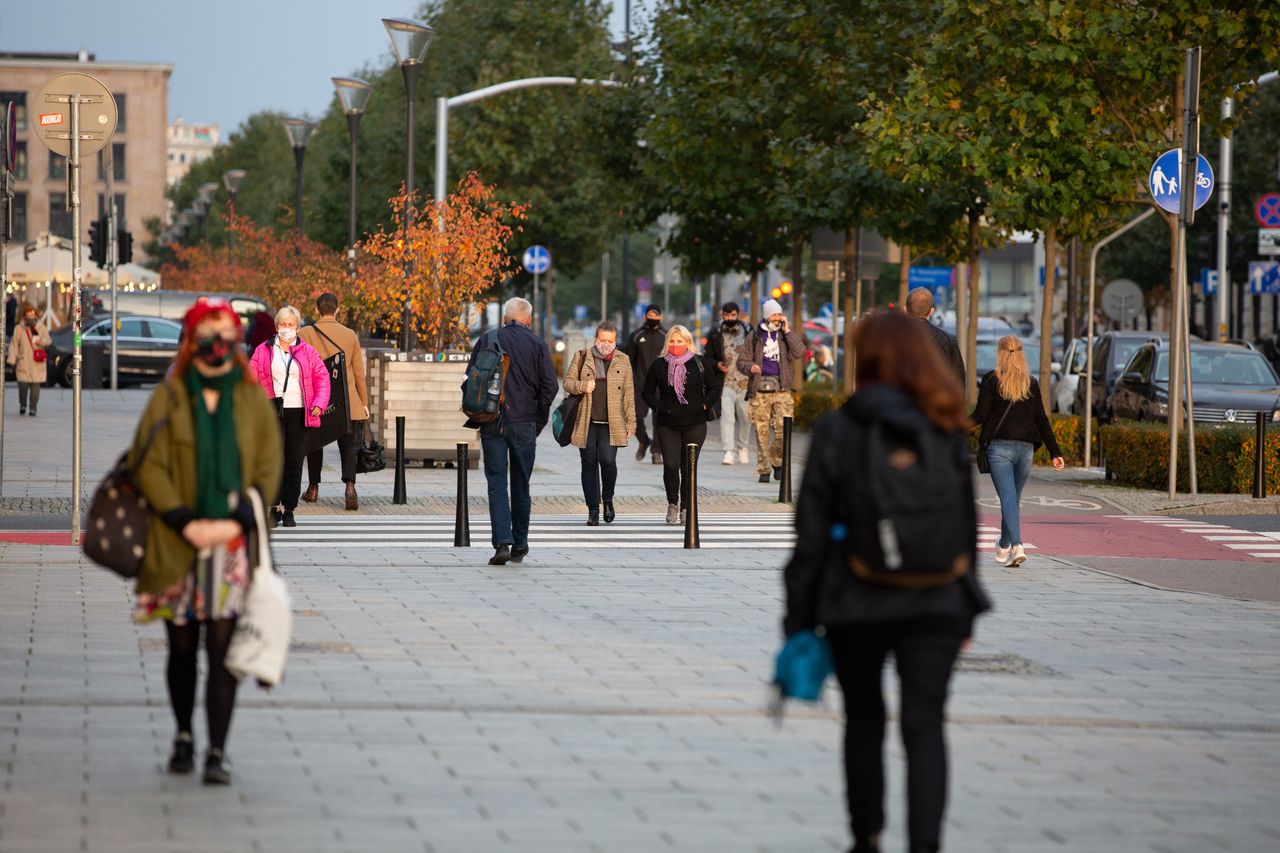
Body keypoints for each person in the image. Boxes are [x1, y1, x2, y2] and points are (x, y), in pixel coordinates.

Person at [783, 310, 992, 853]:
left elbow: (810, 534)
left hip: (856, 596)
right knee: (925, 725)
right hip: (938, 597)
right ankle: (925, 844)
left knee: (864, 720)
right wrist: (967, 604)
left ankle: (867, 837)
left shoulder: (838, 429)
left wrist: (799, 617)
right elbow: (964, 523)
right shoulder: (944, 423)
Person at [129, 298, 282, 786]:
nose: (218, 345)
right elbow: (147, 462)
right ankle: (183, 736)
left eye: (227, 336)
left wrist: (238, 520)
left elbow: (268, 464)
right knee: (181, 648)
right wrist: (182, 519)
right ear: (191, 341)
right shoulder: (170, 396)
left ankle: (217, 749)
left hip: (231, 545)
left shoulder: (250, 398)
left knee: (221, 651)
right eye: (208, 335)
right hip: (177, 541)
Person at [464, 297, 558, 566]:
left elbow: (470, 379)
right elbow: (550, 387)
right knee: (521, 484)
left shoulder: (488, 339)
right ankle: (520, 543)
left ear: (505, 318)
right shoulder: (537, 344)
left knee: (496, 482)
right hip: (524, 422)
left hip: (492, 419)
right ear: (528, 319)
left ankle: (501, 543)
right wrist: (538, 420)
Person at [972, 335, 1065, 567]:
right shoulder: (1030, 383)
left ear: (1000, 353)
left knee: (1008, 499)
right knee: (1012, 499)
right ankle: (1004, 545)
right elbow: (1041, 420)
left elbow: (980, 415)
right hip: (1025, 450)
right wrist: (1055, 453)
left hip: (999, 449)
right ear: (1021, 354)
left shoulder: (991, 380)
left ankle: (1017, 545)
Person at [248, 306, 329, 528]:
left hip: (299, 411)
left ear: (298, 327)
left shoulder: (308, 352)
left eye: (291, 325)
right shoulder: (263, 350)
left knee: (294, 461)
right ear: (276, 327)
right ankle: (274, 507)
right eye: (283, 324)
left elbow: (322, 377)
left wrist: (319, 403)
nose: (286, 328)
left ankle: (289, 508)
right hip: (271, 410)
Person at [299, 292, 369, 511]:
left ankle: (313, 488)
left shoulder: (305, 333)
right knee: (348, 445)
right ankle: (350, 487)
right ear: (338, 310)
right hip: (347, 401)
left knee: (314, 444)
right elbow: (358, 373)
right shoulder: (350, 335)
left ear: (316, 309)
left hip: (318, 400)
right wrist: (363, 402)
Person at [563, 321, 636, 525]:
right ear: (596, 338)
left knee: (608, 460)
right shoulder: (582, 356)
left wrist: (631, 422)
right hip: (586, 420)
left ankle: (608, 499)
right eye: (602, 340)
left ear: (616, 340)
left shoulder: (623, 360)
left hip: (612, 422)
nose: (605, 344)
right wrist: (583, 386)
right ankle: (592, 509)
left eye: (610, 341)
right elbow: (567, 383)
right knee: (588, 463)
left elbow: (629, 393)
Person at [642, 325, 717, 525]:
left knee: (688, 468)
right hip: (667, 424)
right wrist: (659, 407)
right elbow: (647, 392)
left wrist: (704, 404)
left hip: (695, 424)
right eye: (672, 341)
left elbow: (714, 387)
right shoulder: (659, 365)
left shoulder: (699, 362)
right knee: (671, 465)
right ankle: (672, 503)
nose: (675, 345)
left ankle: (686, 507)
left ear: (688, 342)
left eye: (680, 341)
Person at [738, 299, 804, 484]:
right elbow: (741, 361)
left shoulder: (784, 335)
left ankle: (777, 461)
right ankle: (764, 469)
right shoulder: (754, 336)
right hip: (759, 390)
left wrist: (788, 331)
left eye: (779, 314)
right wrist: (750, 367)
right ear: (767, 316)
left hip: (782, 388)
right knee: (761, 432)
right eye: (774, 314)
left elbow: (799, 352)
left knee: (784, 428)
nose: (777, 318)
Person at [704, 302, 753, 466]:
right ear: (722, 315)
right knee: (727, 417)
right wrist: (717, 364)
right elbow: (707, 356)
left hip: (745, 381)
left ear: (738, 314)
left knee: (746, 417)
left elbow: (756, 353)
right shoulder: (715, 331)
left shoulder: (748, 330)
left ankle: (743, 447)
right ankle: (728, 451)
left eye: (733, 315)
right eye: (726, 315)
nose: (730, 318)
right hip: (725, 382)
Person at [625, 304, 667, 465]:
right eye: (650, 315)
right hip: (639, 385)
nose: (652, 318)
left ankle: (656, 452)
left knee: (659, 421)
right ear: (645, 316)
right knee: (633, 417)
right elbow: (628, 360)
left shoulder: (666, 336)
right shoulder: (636, 335)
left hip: (660, 387)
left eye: (655, 315)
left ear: (660, 317)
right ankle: (644, 441)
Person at [905, 287, 965, 388]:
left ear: (906, 309)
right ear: (931, 311)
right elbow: (959, 380)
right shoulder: (949, 339)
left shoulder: (893, 338)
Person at [7, 303, 51, 416]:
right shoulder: (19, 328)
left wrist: (40, 341)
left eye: (32, 314)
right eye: (28, 314)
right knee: (23, 387)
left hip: (37, 363)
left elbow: (48, 341)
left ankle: (33, 407)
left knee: (35, 389)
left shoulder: (41, 328)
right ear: (25, 315)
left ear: (35, 315)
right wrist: (12, 358)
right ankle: (23, 405)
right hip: (24, 361)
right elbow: (14, 344)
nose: (30, 316)